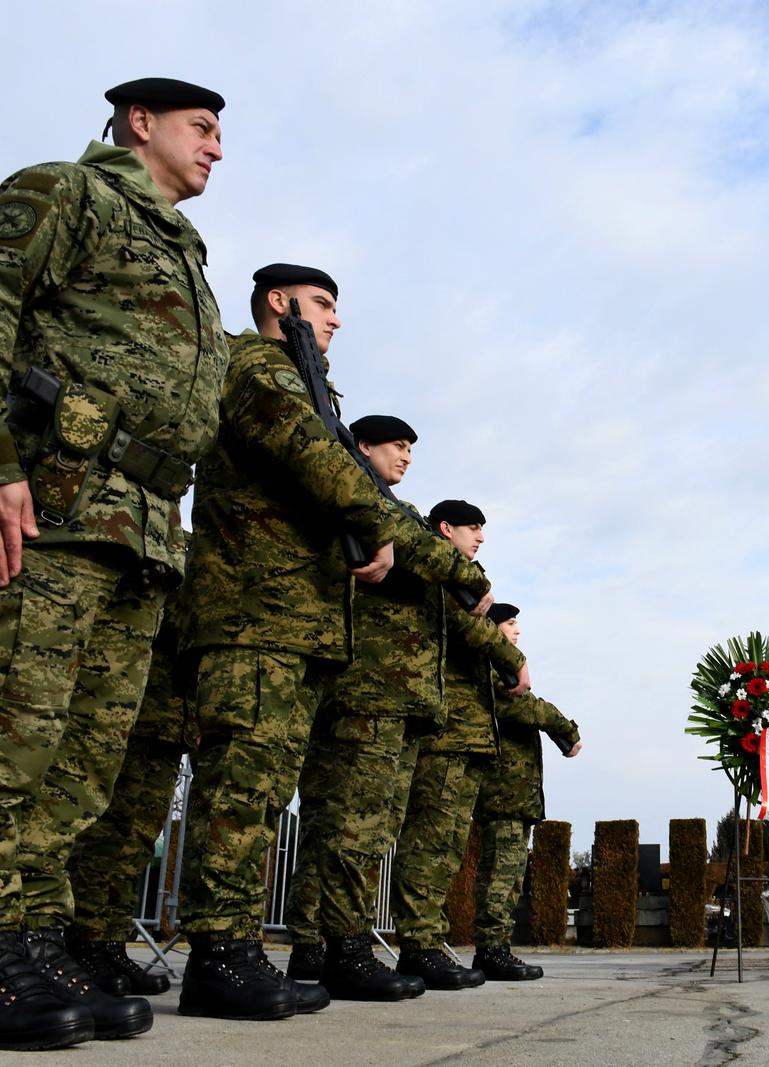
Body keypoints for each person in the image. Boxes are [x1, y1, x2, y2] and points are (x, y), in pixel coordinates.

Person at [0, 77, 228, 1051]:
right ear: (141, 123)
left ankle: (30, 937)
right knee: (6, 723)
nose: (218, 148)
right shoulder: (68, 193)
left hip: (136, 525)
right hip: (51, 496)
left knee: (81, 754)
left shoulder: (184, 250)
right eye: (202, 128)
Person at [173, 267, 495, 1023]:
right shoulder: (259, 366)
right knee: (243, 792)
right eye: (323, 305)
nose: (336, 321)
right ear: (279, 307)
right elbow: (322, 462)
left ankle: (255, 947)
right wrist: (383, 526)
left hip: (295, 624)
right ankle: (221, 951)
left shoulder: (303, 384)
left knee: (265, 794)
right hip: (256, 614)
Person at [283, 413, 523, 1000]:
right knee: (352, 824)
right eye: (397, 445)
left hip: (397, 695)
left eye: (412, 448)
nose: (407, 456)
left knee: (365, 826)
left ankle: (324, 945)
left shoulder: (390, 515)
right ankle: (340, 945)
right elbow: (432, 571)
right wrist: (503, 643)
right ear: (361, 446)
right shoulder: (363, 502)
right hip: (370, 690)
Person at [388, 500, 522, 979]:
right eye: (472, 529)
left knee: (443, 846)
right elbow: (470, 630)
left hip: (458, 733)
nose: (480, 537)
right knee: (428, 841)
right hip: (443, 733)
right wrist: (512, 658)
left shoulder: (458, 577)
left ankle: (426, 940)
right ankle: (417, 943)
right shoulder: (438, 571)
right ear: (445, 529)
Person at [62, 618, 188, 996]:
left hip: (171, 715)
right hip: (132, 707)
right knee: (108, 831)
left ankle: (111, 941)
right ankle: (84, 939)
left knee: (138, 841)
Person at [470, 602, 580, 980]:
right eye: (511, 624)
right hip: (502, 792)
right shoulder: (491, 670)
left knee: (510, 874)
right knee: (500, 873)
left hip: (515, 794)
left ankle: (497, 948)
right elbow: (527, 709)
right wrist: (565, 728)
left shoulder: (501, 670)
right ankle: (491, 950)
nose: (517, 631)